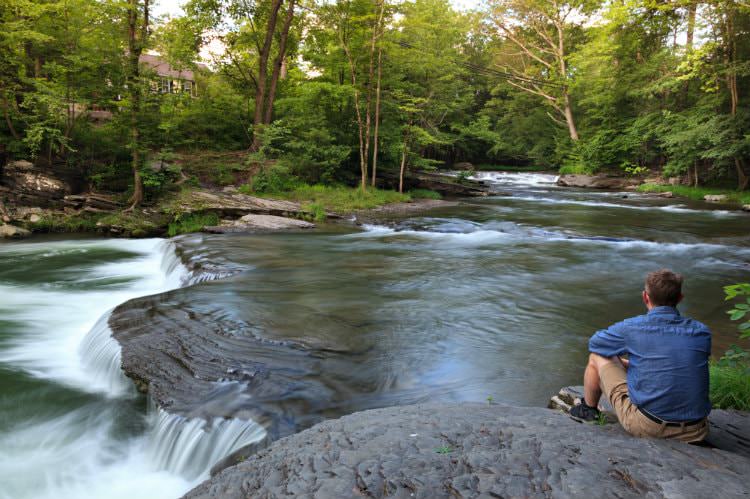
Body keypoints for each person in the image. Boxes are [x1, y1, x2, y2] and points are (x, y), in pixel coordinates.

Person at [569, 269, 711, 442]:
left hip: (650, 428)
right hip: (696, 430)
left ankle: (588, 410)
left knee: (596, 357)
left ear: (645, 297)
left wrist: (622, 357)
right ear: (680, 298)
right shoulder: (701, 332)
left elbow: (595, 344)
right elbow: (675, 362)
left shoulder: (632, 328)